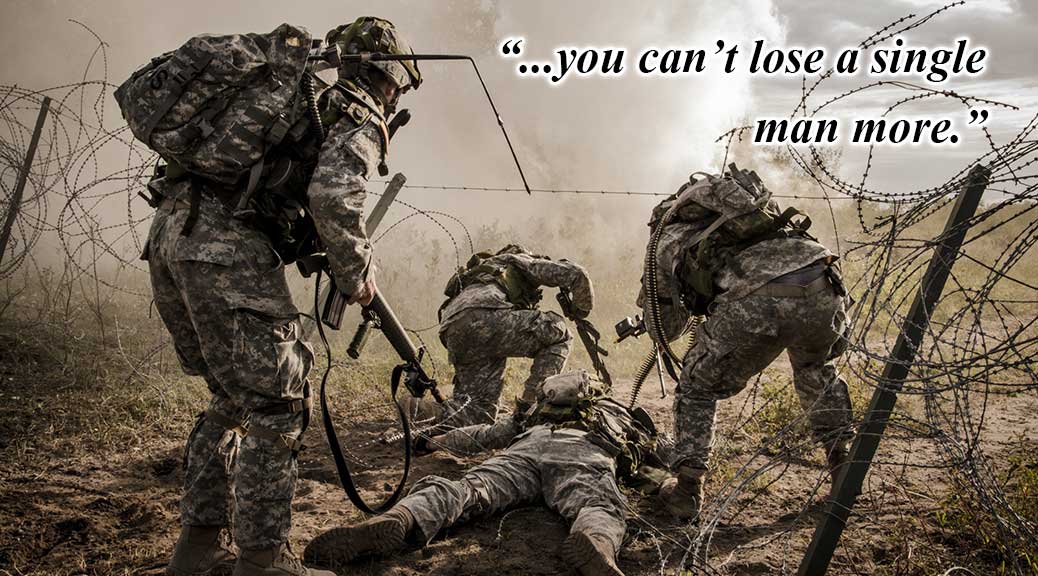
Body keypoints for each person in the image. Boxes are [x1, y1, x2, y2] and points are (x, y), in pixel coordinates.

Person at [142, 17, 422, 576]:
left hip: (172, 238)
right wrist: (357, 275)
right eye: (398, 85)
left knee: (230, 395)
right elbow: (334, 198)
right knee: (277, 403)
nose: (394, 97)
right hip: (224, 251)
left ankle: (196, 552)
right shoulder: (353, 110)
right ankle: (264, 561)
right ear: (388, 74)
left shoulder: (291, 95)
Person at [640, 165, 854, 521]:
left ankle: (687, 491)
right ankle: (843, 466)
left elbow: (666, 327)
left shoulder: (667, 238)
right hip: (823, 282)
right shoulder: (754, 216)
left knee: (695, 386)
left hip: (759, 300)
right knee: (816, 368)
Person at [303, 370, 671, 576]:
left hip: (524, 451)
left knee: (468, 489)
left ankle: (403, 515)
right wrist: (674, 481)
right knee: (597, 504)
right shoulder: (619, 415)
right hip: (583, 452)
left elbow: (483, 435)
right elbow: (661, 458)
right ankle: (597, 545)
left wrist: (437, 440)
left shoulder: (535, 415)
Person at [415, 245, 594, 427]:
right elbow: (576, 273)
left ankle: (421, 411)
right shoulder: (516, 260)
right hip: (487, 317)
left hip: (454, 330)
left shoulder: (478, 276)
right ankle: (533, 407)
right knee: (559, 334)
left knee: (478, 413)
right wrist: (580, 310)